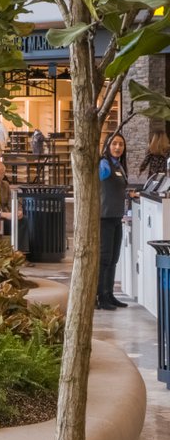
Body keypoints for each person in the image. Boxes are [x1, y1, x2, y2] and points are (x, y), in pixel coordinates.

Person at [98, 133, 129, 310]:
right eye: (114, 144)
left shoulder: (119, 165)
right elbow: (100, 180)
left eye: (121, 145)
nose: (118, 148)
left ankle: (109, 294)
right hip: (105, 217)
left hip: (117, 217)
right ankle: (100, 296)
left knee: (114, 258)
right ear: (108, 145)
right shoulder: (104, 163)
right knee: (104, 258)